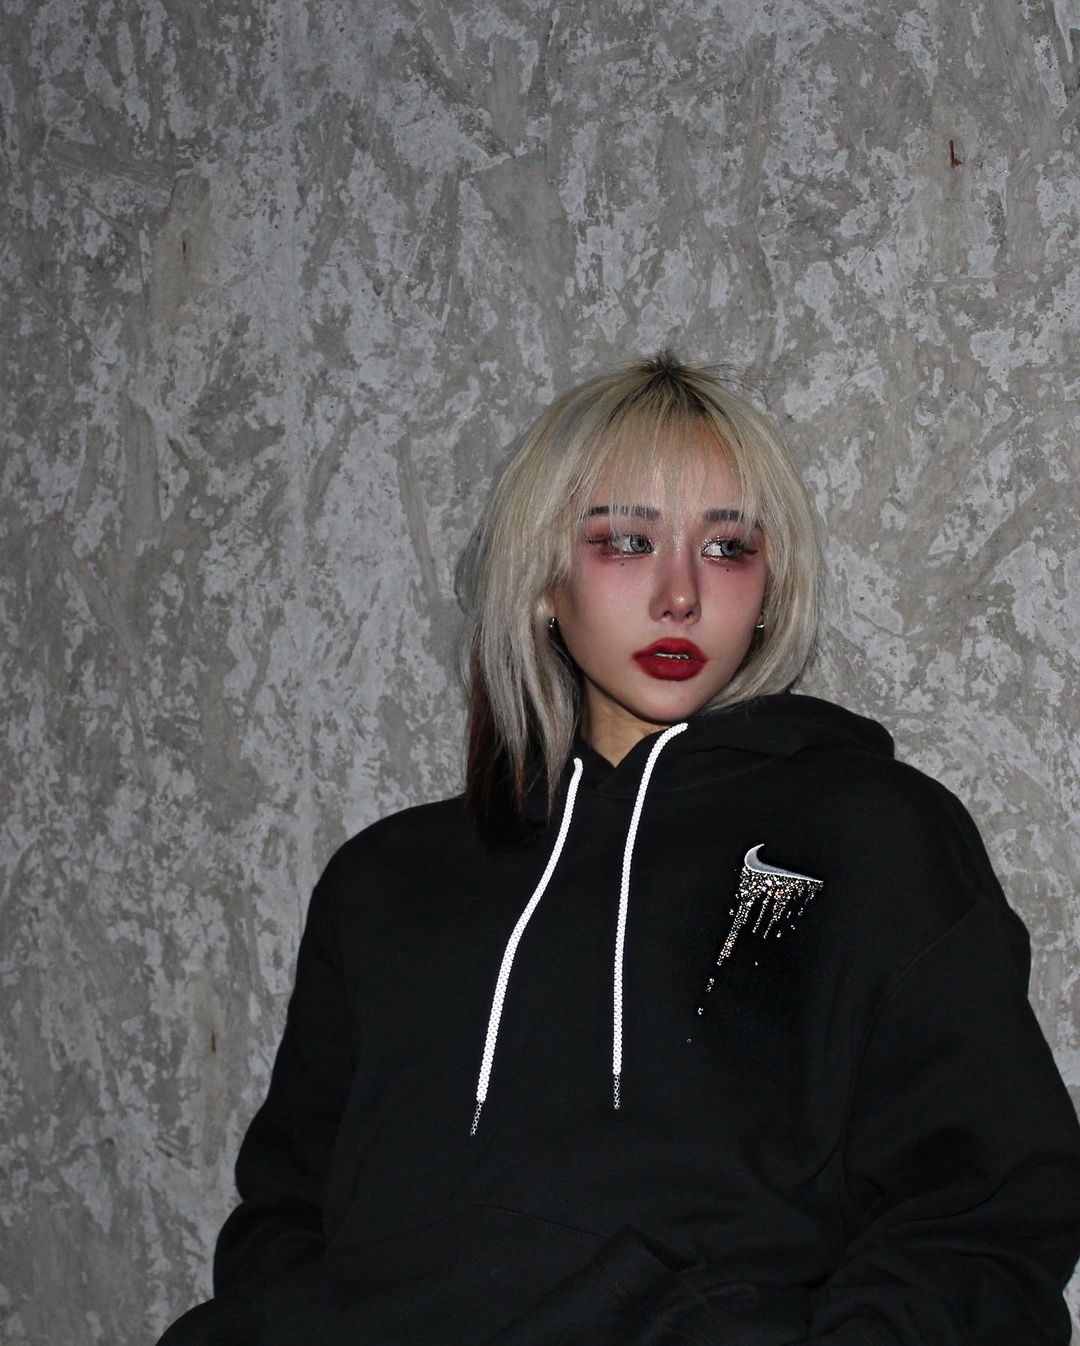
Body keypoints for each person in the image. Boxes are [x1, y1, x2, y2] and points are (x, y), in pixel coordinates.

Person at [159, 354, 1080, 1345]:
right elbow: (285, 1218)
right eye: (627, 541)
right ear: (545, 580)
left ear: (771, 590)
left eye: (727, 547)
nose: (681, 593)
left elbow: (982, 1211)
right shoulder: (384, 882)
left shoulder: (864, 837)